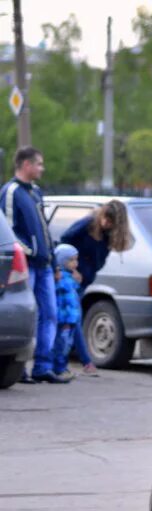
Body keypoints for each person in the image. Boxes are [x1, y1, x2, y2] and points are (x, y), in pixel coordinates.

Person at [0, 146, 68, 383]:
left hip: (45, 265)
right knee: (29, 314)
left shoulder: (36, 192)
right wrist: (29, 251)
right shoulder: (11, 192)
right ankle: (22, 368)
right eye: (39, 164)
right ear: (26, 165)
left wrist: (53, 260)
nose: (42, 168)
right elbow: (9, 230)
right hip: (25, 265)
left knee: (50, 314)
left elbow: (44, 229)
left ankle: (43, 365)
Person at [60, 200, 134, 375]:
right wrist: (72, 269)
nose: (106, 223)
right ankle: (83, 362)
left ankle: (72, 361)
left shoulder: (109, 235)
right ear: (102, 214)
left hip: (84, 280)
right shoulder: (86, 224)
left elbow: (99, 259)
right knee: (73, 320)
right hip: (71, 279)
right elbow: (64, 241)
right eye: (106, 218)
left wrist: (88, 273)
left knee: (72, 320)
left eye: (111, 221)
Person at [51, 244, 83, 382]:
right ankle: (57, 368)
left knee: (66, 345)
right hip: (63, 318)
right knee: (61, 344)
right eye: (71, 260)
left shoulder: (69, 276)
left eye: (76, 260)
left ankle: (62, 367)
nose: (75, 263)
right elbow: (63, 295)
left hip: (70, 318)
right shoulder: (60, 277)